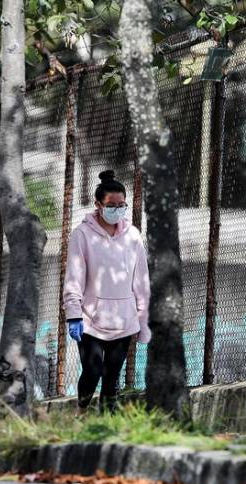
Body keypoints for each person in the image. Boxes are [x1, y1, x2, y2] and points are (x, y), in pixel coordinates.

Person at [63, 170, 151, 414]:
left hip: (124, 320)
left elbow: (141, 282)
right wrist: (73, 315)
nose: (117, 209)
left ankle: (106, 422)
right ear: (98, 205)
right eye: (111, 205)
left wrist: (143, 323)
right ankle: (80, 412)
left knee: (112, 377)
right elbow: (74, 277)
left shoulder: (132, 236)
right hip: (90, 320)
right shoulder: (81, 235)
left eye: (121, 205)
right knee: (92, 370)